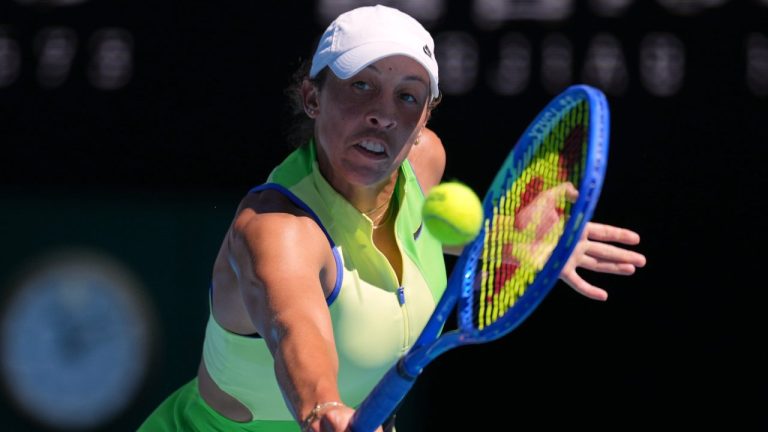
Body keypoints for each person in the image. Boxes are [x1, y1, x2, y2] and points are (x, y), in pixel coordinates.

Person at [139, 5, 646, 432]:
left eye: (407, 96)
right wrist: (323, 409)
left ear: (425, 116)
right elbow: (293, 329)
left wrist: (512, 242)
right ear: (313, 98)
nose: (384, 113)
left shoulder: (423, 162)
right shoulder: (278, 230)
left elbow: (410, 237)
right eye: (361, 85)